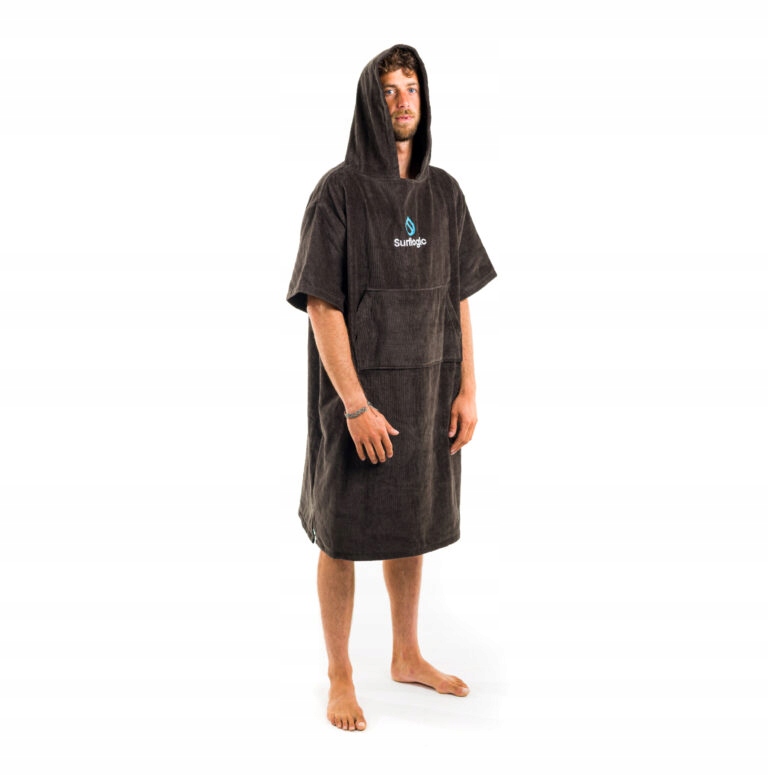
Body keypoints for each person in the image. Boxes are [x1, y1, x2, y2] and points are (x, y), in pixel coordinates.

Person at [286, 44, 497, 732]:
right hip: (357, 402)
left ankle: (406, 655)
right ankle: (340, 674)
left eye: (411, 87)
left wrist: (468, 388)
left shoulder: (445, 193)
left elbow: (459, 296)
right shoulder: (338, 192)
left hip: (428, 393)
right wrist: (355, 405)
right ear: (369, 103)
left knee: (412, 522)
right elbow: (322, 306)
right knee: (341, 535)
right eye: (388, 90)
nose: (402, 100)